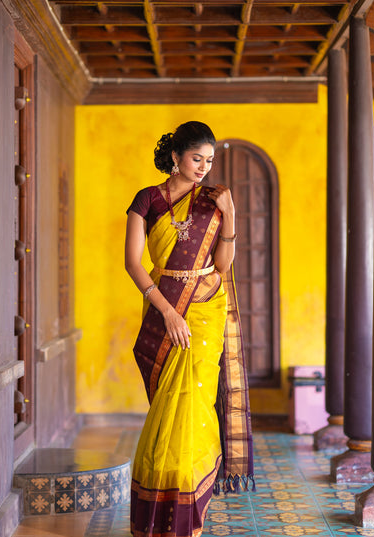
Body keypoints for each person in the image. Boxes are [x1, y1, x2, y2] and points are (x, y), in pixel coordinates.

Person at [125, 121, 254, 537]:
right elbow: (133, 263)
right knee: (170, 407)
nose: (204, 167)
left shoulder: (213, 201)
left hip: (208, 310)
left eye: (210, 160)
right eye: (197, 158)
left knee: (196, 406)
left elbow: (223, 266)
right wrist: (168, 312)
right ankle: (159, 511)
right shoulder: (147, 200)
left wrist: (230, 214)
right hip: (168, 311)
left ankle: (190, 513)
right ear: (177, 155)